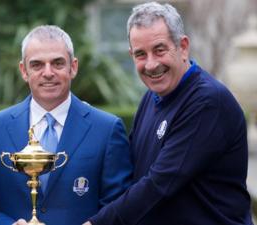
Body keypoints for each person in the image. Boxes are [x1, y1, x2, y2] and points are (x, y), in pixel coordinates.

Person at [84, 2, 253, 225]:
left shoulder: (206, 102)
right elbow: (130, 170)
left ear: (183, 46)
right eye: (140, 54)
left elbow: (158, 184)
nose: (151, 64)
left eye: (159, 50)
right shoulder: (152, 97)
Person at [0, 25, 133, 225]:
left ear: (73, 67)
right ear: (24, 70)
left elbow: (120, 204)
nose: (48, 73)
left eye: (57, 63)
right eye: (37, 65)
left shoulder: (107, 129)